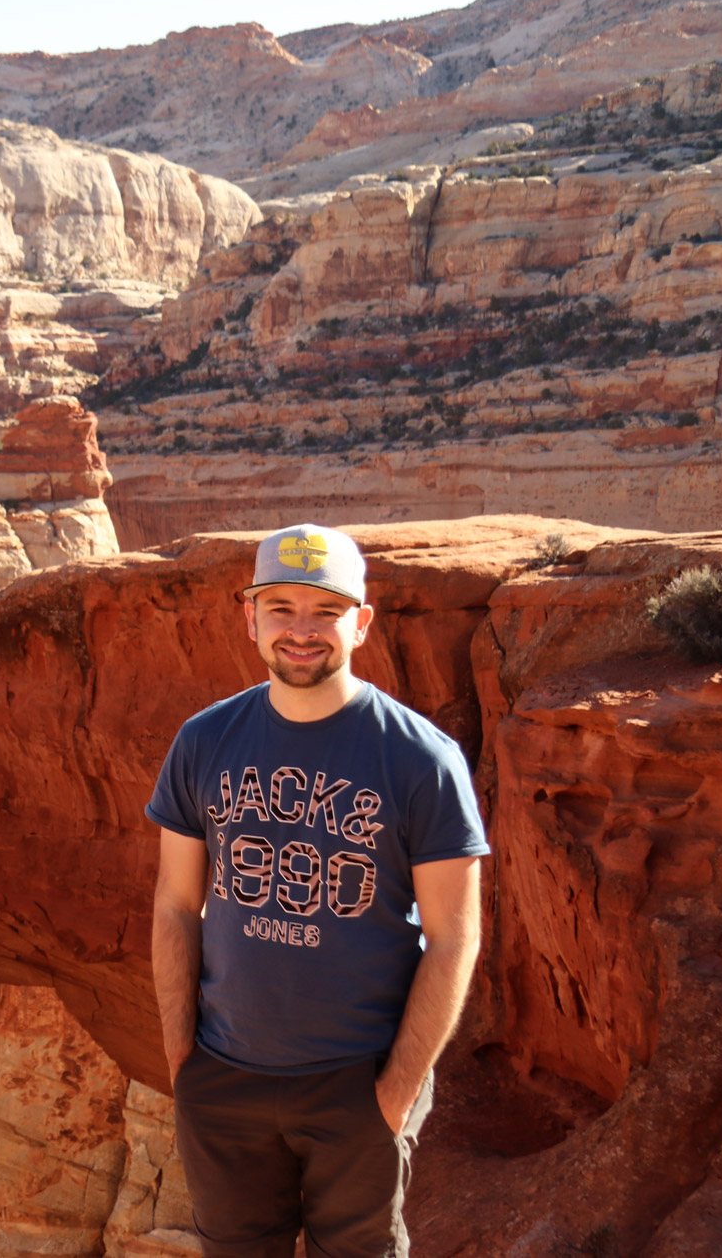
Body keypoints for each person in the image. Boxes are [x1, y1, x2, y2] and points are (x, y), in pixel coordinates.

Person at [145, 523, 488, 1258]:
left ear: (361, 623)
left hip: (354, 1084)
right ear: (251, 617)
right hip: (224, 1079)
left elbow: (456, 936)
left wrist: (392, 1094)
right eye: (282, 608)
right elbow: (176, 904)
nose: (302, 631)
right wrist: (184, 1063)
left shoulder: (421, 759)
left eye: (326, 611)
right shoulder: (204, 742)